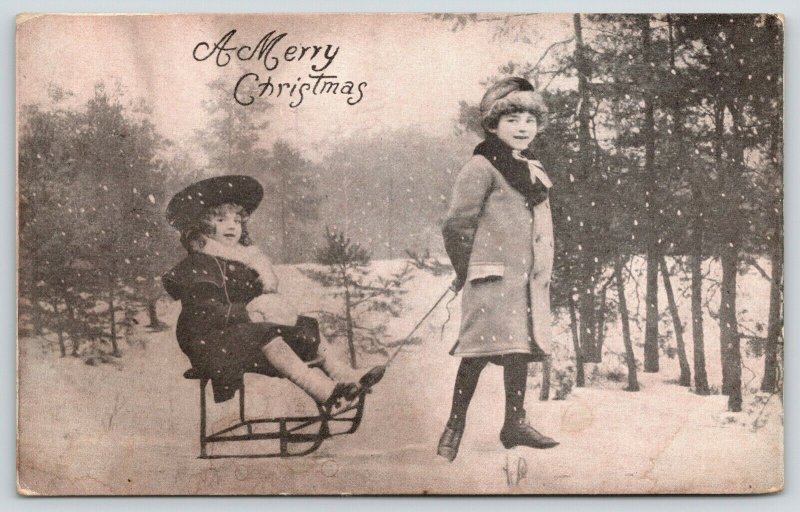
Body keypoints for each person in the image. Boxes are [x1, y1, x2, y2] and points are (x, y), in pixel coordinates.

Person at [162, 175, 384, 406]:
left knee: (304, 326)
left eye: (237, 221)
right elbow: (202, 312)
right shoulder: (200, 264)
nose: (231, 226)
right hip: (208, 341)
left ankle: (345, 376)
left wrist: (270, 310)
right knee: (264, 333)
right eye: (221, 219)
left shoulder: (245, 264)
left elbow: (259, 307)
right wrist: (246, 313)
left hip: (241, 336)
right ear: (205, 226)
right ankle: (322, 389)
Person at [437, 77, 559, 462]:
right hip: (490, 278)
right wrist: (465, 269)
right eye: (512, 120)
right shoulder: (481, 166)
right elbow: (457, 225)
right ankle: (454, 426)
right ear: (493, 125)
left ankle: (514, 423)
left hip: (525, 283)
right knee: (476, 353)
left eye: (529, 119)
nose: (523, 127)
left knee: (518, 350)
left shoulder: (532, 168)